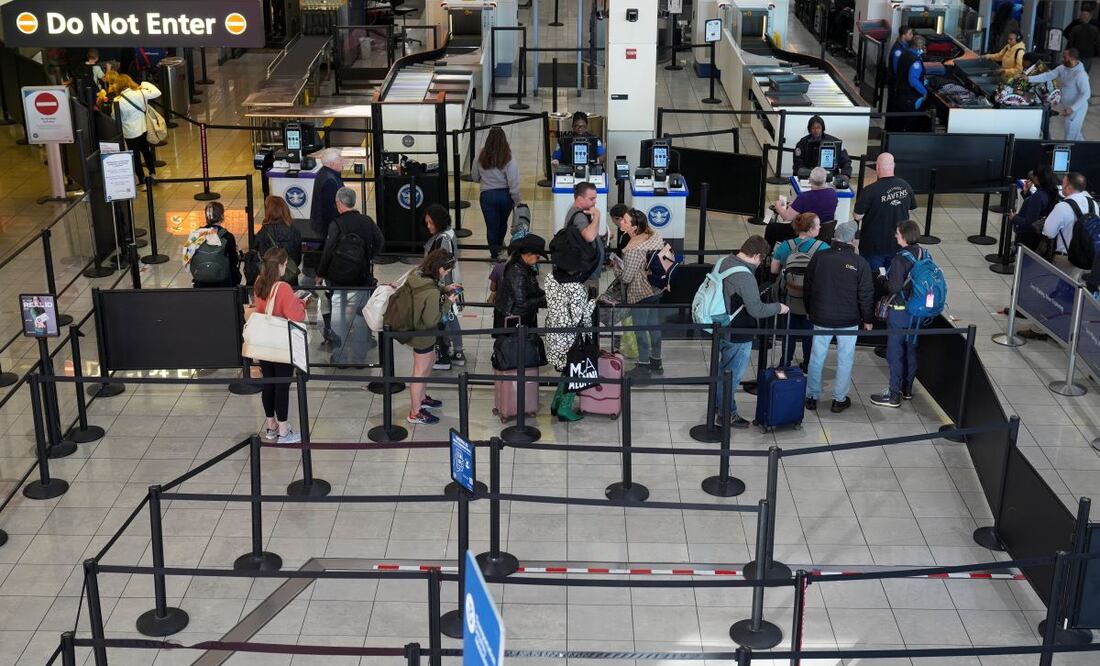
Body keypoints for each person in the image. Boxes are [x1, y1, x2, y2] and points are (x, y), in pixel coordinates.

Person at [714, 236, 787, 428]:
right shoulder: (745, 276)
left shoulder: (724, 261)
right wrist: (778, 307)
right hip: (737, 331)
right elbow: (756, 310)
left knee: (723, 370)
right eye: (761, 258)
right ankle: (727, 414)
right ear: (756, 255)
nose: (761, 262)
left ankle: (718, 406)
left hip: (718, 325)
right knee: (732, 375)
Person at [803, 222, 873, 413]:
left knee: (816, 357)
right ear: (852, 240)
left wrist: (809, 309)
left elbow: (808, 286)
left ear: (835, 236)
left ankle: (811, 396)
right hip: (848, 320)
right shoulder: (860, 263)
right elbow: (865, 294)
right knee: (845, 358)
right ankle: (838, 399)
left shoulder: (819, 257)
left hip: (821, 317)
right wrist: (867, 319)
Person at [545, 215, 601, 422]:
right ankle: (565, 408)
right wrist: (593, 301)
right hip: (570, 337)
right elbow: (580, 317)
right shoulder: (576, 288)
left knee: (565, 370)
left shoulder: (551, 279)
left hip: (553, 331)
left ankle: (555, 403)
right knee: (573, 370)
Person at [317, 187, 385, 355]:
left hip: (338, 277)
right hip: (361, 276)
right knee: (360, 314)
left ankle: (340, 355)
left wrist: (321, 273)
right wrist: (368, 256)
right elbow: (380, 241)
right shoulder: (367, 221)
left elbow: (328, 251)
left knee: (339, 316)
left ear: (340, 203)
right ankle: (360, 353)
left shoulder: (336, 224)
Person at [398, 249, 462, 425]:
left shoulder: (417, 275)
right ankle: (415, 412)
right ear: (440, 268)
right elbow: (432, 319)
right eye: (447, 270)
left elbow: (427, 289)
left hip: (415, 329)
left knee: (429, 362)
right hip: (423, 334)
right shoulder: (432, 291)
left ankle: (422, 399)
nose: (448, 273)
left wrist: (444, 289)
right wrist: (449, 301)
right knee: (419, 371)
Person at [871, 219, 929, 408]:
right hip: (917, 312)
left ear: (904, 236)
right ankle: (907, 390)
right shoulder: (924, 252)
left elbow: (894, 288)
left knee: (895, 352)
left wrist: (882, 279)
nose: (895, 235)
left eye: (897, 233)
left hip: (900, 312)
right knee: (911, 350)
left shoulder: (899, 259)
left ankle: (893, 394)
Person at [252, 247, 308, 444]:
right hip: (281, 344)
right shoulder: (282, 287)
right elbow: (297, 316)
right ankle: (284, 431)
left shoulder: (259, 283)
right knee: (282, 387)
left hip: (264, 343)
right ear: (281, 266)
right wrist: (300, 303)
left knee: (269, 383)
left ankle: (271, 426)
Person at [770, 213, 829, 368]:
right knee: (809, 333)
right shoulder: (823, 247)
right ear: (811, 230)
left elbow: (774, 270)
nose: (820, 227)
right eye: (818, 225)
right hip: (812, 300)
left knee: (789, 332)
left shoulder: (785, 245)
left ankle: (785, 362)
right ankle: (808, 363)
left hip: (789, 297)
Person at [613, 209, 667, 378]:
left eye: (625, 221)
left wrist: (616, 269)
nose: (621, 222)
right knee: (653, 325)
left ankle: (643, 365)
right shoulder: (654, 234)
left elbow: (627, 277)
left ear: (634, 227)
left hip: (641, 293)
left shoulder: (633, 249)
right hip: (657, 288)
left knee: (640, 329)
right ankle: (656, 361)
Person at [853, 152, 918, 272]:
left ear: (877, 167)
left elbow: (857, 216)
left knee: (872, 280)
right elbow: (910, 208)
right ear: (893, 166)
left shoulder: (870, 190)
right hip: (899, 243)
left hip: (873, 245)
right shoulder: (905, 186)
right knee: (894, 279)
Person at [422, 204, 465, 369]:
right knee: (450, 317)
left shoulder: (443, 239)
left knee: (448, 318)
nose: (428, 226)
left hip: (445, 285)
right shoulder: (449, 233)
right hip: (450, 282)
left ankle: (451, 351)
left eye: (431, 223)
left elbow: (442, 264)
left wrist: (440, 288)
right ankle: (457, 350)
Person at [471, 126, 522, 260]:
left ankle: (494, 254)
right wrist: (517, 200)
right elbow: (514, 181)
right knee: (502, 223)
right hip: (505, 196)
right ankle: (500, 245)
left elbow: (474, 176)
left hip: (487, 195)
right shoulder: (508, 157)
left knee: (491, 226)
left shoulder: (480, 155)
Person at [107, 73, 160, 187]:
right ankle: (153, 173)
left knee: (135, 156)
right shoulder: (139, 93)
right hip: (143, 128)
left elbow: (114, 117)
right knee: (146, 151)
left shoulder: (117, 100)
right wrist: (143, 84)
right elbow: (157, 92)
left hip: (130, 132)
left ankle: (141, 179)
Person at [1028, 49, 1091, 142]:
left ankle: (1073, 153)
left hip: (1078, 108)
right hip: (1067, 105)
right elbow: (1047, 76)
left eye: (1065, 57)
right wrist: (1029, 78)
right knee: (1075, 134)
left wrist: (1072, 108)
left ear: (1072, 59)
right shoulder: (1062, 68)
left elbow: (1086, 94)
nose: (1062, 59)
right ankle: (1085, 152)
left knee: (1071, 135)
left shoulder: (1081, 75)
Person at [1041, 172, 1094, 273]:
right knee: (1082, 288)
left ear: (1068, 187)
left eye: (1063, 183)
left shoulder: (1062, 206)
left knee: (1061, 288)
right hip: (1089, 260)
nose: (1062, 186)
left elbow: (1048, 232)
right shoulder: (1093, 204)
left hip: (1066, 260)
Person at [494, 233, 547, 331]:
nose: (538, 260)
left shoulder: (521, 265)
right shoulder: (517, 273)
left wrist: (546, 295)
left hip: (516, 316)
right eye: (538, 257)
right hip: (514, 320)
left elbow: (530, 288)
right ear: (529, 254)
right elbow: (521, 303)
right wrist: (544, 300)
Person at [183, 202, 242, 289]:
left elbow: (186, 258)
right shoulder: (228, 237)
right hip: (223, 283)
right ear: (222, 216)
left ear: (206, 217)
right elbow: (234, 262)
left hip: (200, 281)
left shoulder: (195, 235)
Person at [250, 195, 303, 287]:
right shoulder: (294, 230)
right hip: (290, 277)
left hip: (270, 279)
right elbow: (297, 258)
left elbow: (259, 257)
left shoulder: (263, 232)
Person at [563, 182, 606, 284]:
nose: (595, 202)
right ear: (579, 199)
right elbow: (590, 237)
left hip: (587, 267)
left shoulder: (578, 209)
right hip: (586, 272)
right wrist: (597, 215)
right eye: (591, 199)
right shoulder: (579, 216)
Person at [1011, 165, 1060, 252]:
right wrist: (1026, 193)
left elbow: (1029, 223)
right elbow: (1037, 208)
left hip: (1028, 238)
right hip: (1038, 236)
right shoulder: (1050, 192)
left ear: (1037, 178)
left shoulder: (1038, 196)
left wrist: (1014, 218)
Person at [773, 166, 839, 230]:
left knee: (772, 228)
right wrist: (794, 205)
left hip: (805, 232)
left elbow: (787, 217)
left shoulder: (803, 197)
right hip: (825, 232)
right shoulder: (833, 193)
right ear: (825, 180)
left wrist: (778, 206)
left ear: (809, 180)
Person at [895, 35, 929, 131]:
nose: (924, 50)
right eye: (923, 47)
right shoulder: (915, 61)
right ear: (918, 47)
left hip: (900, 93)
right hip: (910, 97)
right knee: (912, 124)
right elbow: (913, 80)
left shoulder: (904, 53)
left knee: (900, 123)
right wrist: (924, 91)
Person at [309, 148, 346, 237]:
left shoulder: (325, 172)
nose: (342, 162)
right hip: (327, 229)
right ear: (331, 164)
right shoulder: (330, 181)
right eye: (339, 160)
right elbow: (329, 210)